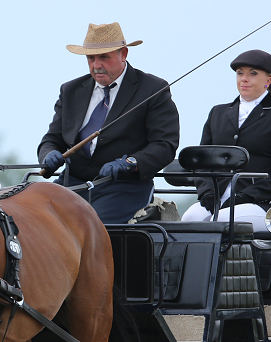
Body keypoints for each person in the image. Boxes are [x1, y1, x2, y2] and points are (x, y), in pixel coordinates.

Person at [38, 22, 180, 224]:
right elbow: (52, 139)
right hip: (72, 185)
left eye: (104, 57)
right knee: (30, 221)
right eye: (91, 58)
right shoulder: (71, 90)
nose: (96, 65)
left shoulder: (153, 89)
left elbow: (165, 145)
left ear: (124, 54)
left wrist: (131, 163)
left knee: (89, 226)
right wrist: (48, 154)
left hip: (123, 188)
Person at [180, 49, 271, 232]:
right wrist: (207, 192)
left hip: (259, 202)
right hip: (217, 198)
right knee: (190, 218)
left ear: (268, 80)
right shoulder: (218, 113)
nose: (244, 79)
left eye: (253, 73)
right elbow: (201, 160)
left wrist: (247, 195)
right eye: (240, 73)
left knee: (220, 220)